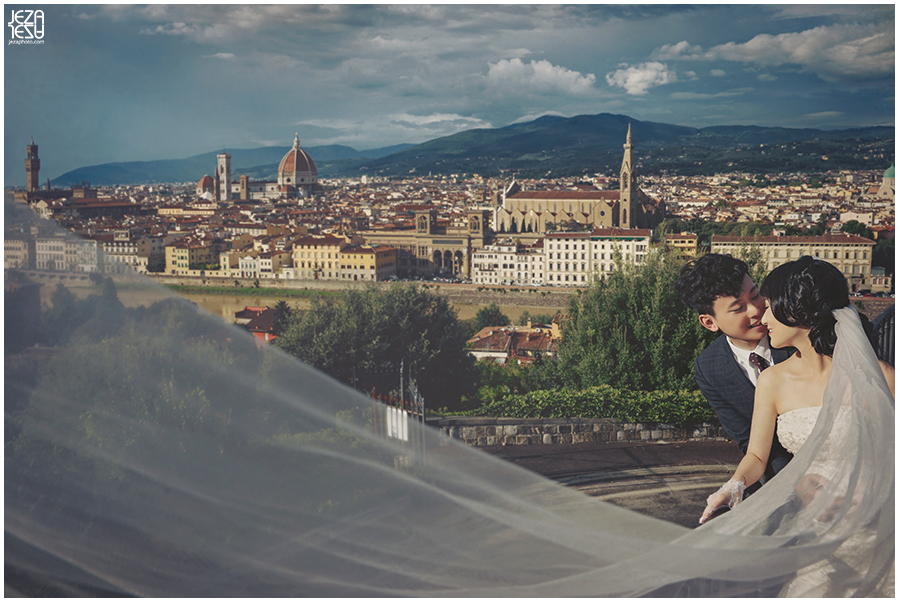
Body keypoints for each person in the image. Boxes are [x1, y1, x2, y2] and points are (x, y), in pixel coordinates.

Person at [674, 254, 794, 485]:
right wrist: (792, 484)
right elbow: (748, 439)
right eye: (738, 308)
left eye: (756, 295)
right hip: (778, 478)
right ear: (710, 322)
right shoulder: (710, 368)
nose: (755, 311)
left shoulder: (795, 329)